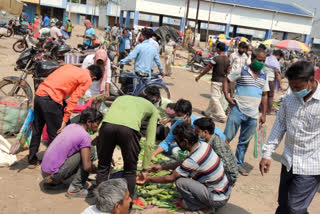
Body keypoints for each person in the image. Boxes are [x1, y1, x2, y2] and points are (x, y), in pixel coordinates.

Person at [260, 61, 320, 214]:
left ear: (311, 81)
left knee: (295, 208)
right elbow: (279, 126)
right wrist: (267, 153)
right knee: (284, 204)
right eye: (292, 87)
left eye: (298, 87)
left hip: (310, 166)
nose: (294, 90)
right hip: (288, 162)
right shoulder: (290, 99)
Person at [137, 123, 231, 212]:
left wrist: (148, 180)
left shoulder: (193, 160)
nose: (176, 143)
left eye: (178, 141)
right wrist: (162, 167)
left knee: (180, 182)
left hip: (218, 198)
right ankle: (207, 202)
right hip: (224, 190)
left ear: (185, 142)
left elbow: (170, 178)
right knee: (188, 176)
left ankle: (201, 207)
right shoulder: (203, 145)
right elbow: (184, 162)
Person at [27, 64, 103, 169]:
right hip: (51, 100)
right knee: (56, 133)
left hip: (40, 94)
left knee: (37, 128)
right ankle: (54, 165)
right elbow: (73, 99)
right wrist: (65, 119)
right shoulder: (87, 78)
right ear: (94, 77)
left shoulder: (69, 66)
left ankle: (32, 160)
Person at [96, 95, 159, 197]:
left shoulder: (121, 98)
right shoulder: (152, 108)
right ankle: (127, 206)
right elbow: (150, 142)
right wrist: (145, 168)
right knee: (130, 171)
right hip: (128, 130)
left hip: (106, 126)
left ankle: (100, 202)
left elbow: (103, 125)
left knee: (103, 167)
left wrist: (103, 151)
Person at [223, 48, 269, 176]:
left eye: (263, 61)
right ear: (253, 59)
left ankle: (238, 164)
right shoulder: (242, 71)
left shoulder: (264, 75)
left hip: (253, 115)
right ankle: (222, 161)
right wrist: (227, 97)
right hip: (237, 110)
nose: (261, 63)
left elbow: (265, 95)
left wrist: (263, 113)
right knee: (227, 137)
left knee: (244, 142)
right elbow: (227, 80)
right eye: (259, 60)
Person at [41, 108, 102, 197]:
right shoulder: (85, 136)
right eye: (97, 123)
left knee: (86, 150)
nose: (97, 126)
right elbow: (87, 167)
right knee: (91, 151)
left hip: (44, 172)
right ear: (89, 122)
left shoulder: (71, 126)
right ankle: (75, 189)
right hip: (52, 176)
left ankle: (56, 183)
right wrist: (99, 172)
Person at [152, 99, 226, 159]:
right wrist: (154, 154)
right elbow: (167, 142)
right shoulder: (176, 125)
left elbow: (218, 133)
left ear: (187, 114)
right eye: (176, 115)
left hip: (204, 150)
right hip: (191, 149)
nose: (176, 117)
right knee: (170, 150)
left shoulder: (198, 124)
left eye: (179, 115)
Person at [194, 117, 238, 186]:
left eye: (198, 131)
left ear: (205, 132)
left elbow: (225, 164)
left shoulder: (217, 143)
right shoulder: (208, 140)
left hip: (228, 175)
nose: (196, 134)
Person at [195, 42, 230, 123]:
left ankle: (222, 116)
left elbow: (208, 68)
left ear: (218, 49)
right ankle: (208, 112)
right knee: (214, 98)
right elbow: (228, 71)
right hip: (223, 81)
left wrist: (199, 76)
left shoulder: (216, 59)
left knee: (215, 98)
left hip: (216, 81)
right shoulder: (227, 59)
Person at [262, 50, 284, 115]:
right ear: (278, 56)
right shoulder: (275, 62)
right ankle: (268, 111)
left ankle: (261, 109)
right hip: (270, 80)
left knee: (262, 95)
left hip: (262, 79)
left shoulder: (266, 58)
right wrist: (280, 84)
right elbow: (277, 75)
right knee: (270, 96)